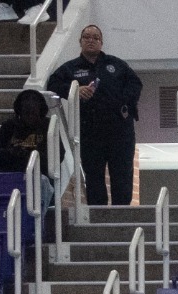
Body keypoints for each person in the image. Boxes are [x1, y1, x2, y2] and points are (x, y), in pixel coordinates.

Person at [46, 26, 142, 207]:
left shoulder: (116, 65)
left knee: (122, 176)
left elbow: (135, 84)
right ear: (80, 41)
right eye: (87, 37)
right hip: (90, 133)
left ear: (101, 42)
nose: (91, 40)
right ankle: (98, 215)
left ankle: (122, 215)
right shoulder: (71, 68)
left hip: (120, 132)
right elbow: (53, 84)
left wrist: (122, 102)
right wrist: (74, 89)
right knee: (94, 178)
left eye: (95, 38)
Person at [0, 88, 50, 172]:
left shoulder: (48, 126)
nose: (30, 116)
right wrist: (11, 153)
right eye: (27, 113)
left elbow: (56, 157)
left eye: (33, 113)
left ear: (40, 112)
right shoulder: (9, 126)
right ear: (20, 112)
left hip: (39, 175)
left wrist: (28, 155)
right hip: (10, 174)